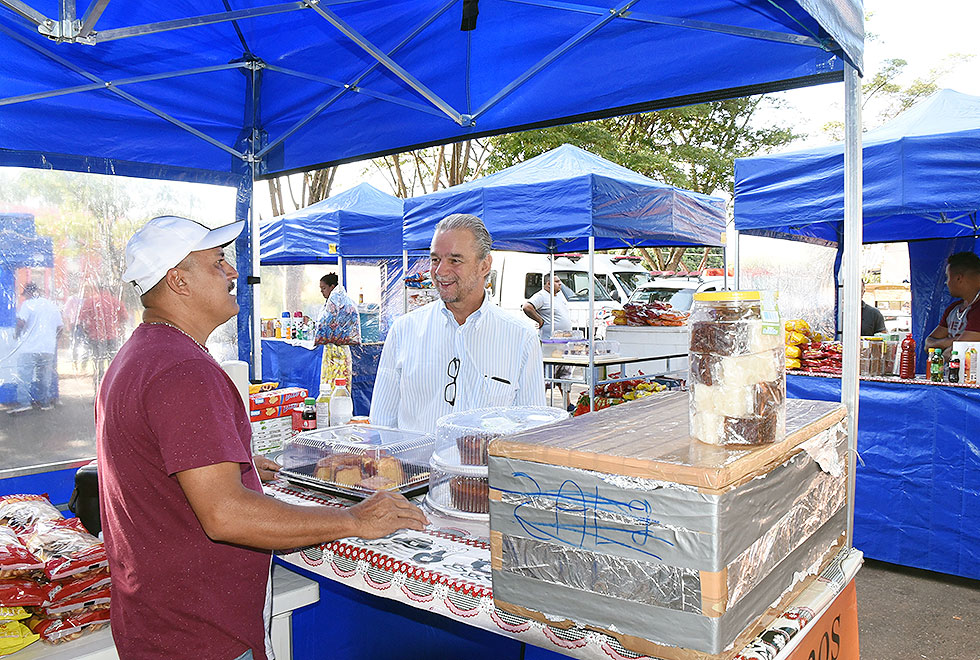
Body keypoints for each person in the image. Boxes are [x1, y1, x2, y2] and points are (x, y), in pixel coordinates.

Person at [98, 215, 427, 660]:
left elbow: (166, 474)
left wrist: (238, 468)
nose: (234, 272)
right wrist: (355, 521)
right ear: (178, 281)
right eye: (218, 263)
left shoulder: (140, 355)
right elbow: (226, 515)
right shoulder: (184, 371)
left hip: (158, 623)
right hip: (198, 635)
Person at [371, 213, 545, 434]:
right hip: (417, 469)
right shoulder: (403, 331)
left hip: (487, 470)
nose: (440, 271)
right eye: (435, 259)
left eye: (455, 260)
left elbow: (533, 429)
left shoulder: (521, 337)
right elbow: (382, 424)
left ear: (484, 265)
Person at [8, 283, 63, 414]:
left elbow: (21, 322)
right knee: (44, 376)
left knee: (24, 376)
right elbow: (60, 328)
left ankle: (24, 403)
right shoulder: (52, 306)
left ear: (28, 293)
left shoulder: (28, 304)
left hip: (29, 348)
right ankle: (44, 403)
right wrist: (52, 340)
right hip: (47, 349)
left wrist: (16, 335)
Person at [523, 275, 573, 397]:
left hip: (564, 342)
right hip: (550, 344)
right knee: (547, 377)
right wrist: (540, 321)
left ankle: (568, 404)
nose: (560, 284)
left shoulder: (559, 296)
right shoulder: (541, 296)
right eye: (557, 281)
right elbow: (527, 307)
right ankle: (542, 403)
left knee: (565, 375)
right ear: (548, 284)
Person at [925, 251, 980, 354]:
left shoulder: (978, 310)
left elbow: (954, 353)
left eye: (947, 277)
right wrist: (952, 341)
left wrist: (943, 345)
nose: (946, 283)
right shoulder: (953, 308)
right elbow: (928, 344)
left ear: (958, 278)